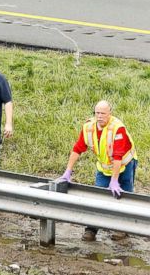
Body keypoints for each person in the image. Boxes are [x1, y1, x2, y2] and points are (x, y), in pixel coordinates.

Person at [56, 100, 138, 241]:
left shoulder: (118, 128)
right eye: (97, 113)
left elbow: (118, 157)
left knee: (124, 196)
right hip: (104, 167)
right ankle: (91, 229)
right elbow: (77, 149)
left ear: (109, 114)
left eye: (103, 113)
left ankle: (122, 229)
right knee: (97, 197)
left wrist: (114, 180)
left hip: (125, 165)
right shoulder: (89, 127)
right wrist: (68, 171)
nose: (100, 116)